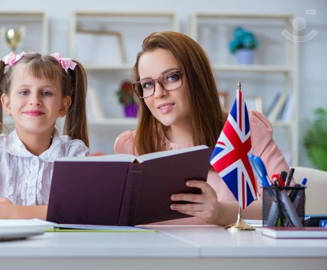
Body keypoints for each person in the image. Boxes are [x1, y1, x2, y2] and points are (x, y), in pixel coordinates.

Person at [114, 31, 289, 226]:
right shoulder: (131, 146)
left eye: (171, 77)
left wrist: (222, 212)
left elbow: (288, 204)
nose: (159, 93)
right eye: (147, 84)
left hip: (231, 255)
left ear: (198, 78)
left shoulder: (245, 130)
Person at [0, 52, 89, 219]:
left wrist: (11, 213)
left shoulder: (74, 154)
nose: (35, 100)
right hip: (2, 245)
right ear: (7, 104)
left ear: (63, 105)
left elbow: (82, 211)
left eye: (46, 93)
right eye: (24, 92)